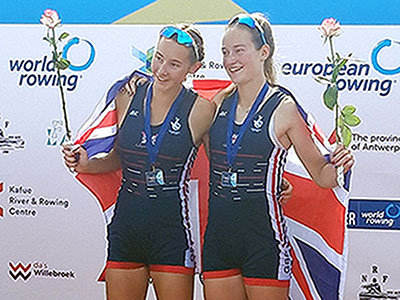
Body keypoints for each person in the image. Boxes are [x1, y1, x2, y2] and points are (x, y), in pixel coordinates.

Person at [201, 13, 354, 300]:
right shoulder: (217, 102)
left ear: (263, 52)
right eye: (225, 52)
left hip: (264, 241)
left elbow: (321, 174)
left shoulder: (283, 108)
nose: (230, 59)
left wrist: (341, 163)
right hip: (218, 241)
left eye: (239, 50)